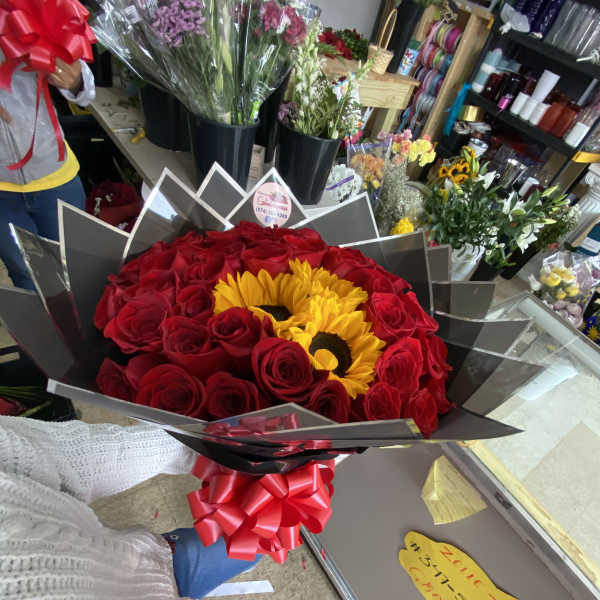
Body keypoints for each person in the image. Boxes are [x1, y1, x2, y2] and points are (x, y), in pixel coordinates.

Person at [0, 416, 260, 598]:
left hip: (141, 557)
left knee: (253, 543)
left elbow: (66, 457)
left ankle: (163, 555)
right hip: (163, 584)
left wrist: (195, 448)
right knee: (248, 547)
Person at [0, 57, 94, 290]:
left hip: (54, 174)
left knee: (78, 266)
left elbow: (84, 90)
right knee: (25, 272)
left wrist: (75, 81)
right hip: (3, 194)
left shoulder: (20, 29)